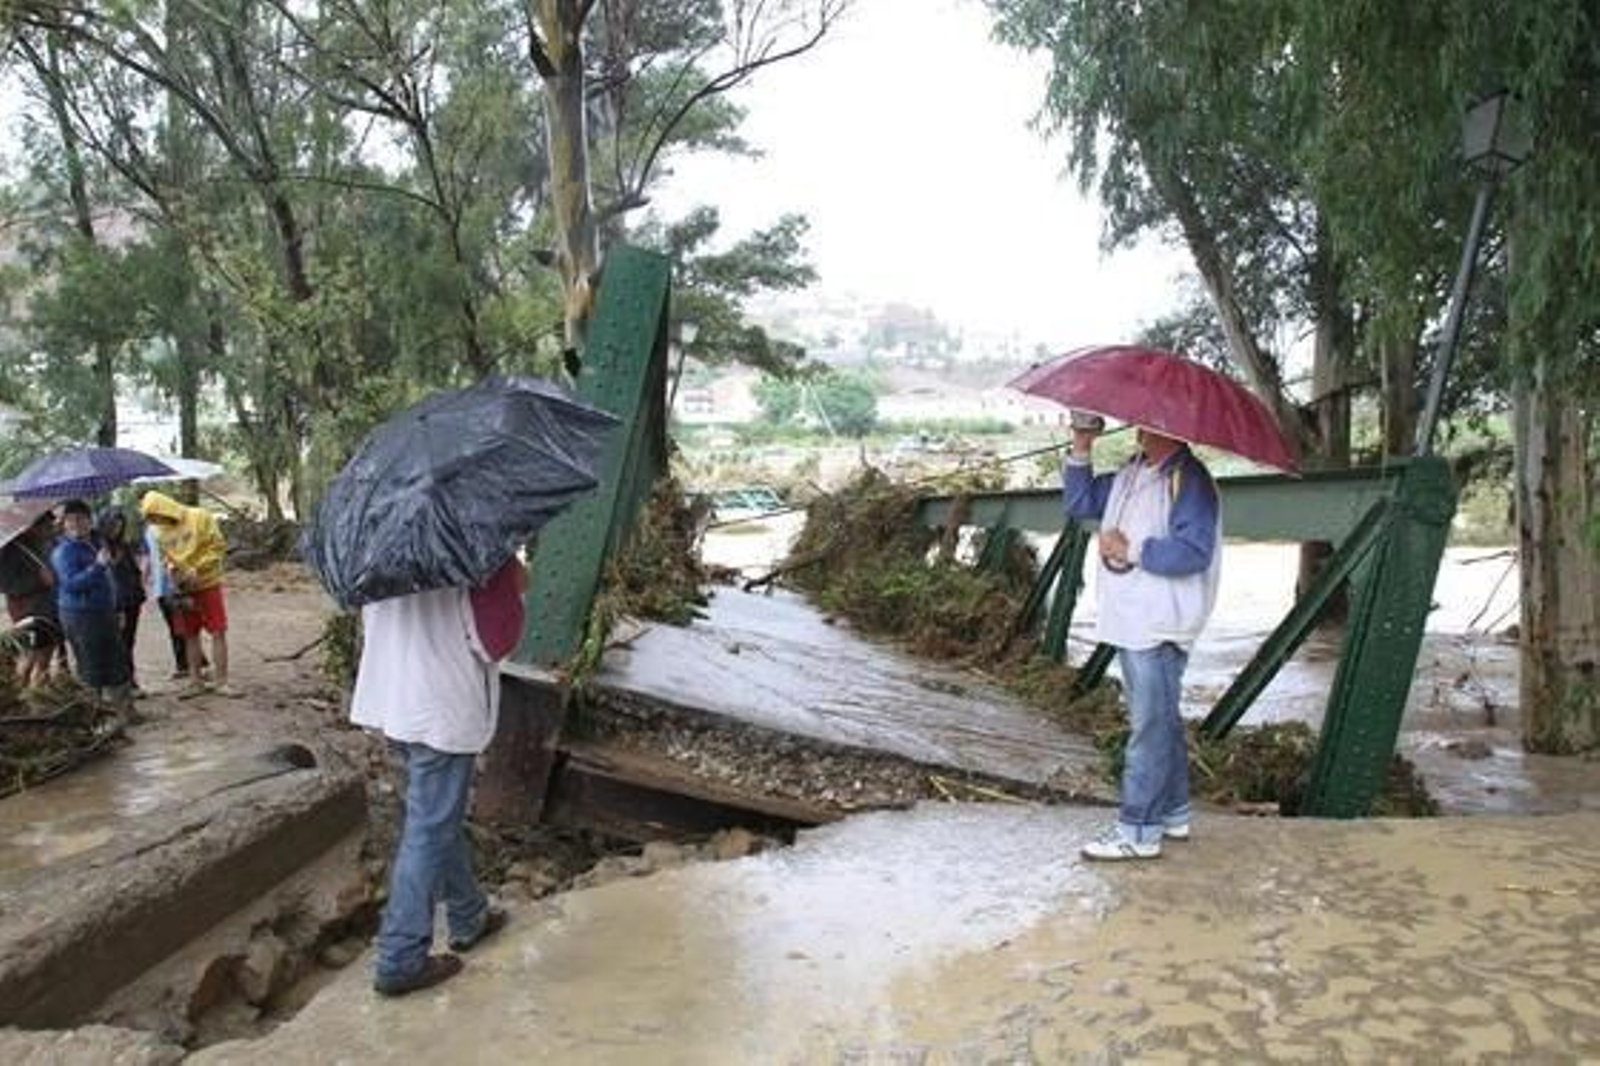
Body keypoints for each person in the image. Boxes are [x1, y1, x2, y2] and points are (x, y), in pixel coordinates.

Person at [350, 555, 525, 997]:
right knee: (427, 829)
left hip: (392, 699)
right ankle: (400, 957)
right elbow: (496, 642)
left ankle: (469, 915)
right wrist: (511, 579)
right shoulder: (475, 548)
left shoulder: (378, 544)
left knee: (433, 818)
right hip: (440, 705)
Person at [1064, 420, 1221, 861]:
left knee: (1148, 726)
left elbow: (1194, 551)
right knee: (1161, 720)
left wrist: (1128, 550)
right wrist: (1081, 443)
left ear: (1171, 426)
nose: (1139, 428)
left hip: (1160, 622)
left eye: (1150, 421)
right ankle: (1172, 811)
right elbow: (1079, 502)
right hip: (1133, 619)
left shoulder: (1189, 480)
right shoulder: (1133, 473)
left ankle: (1138, 831)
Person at [139, 491, 233, 697]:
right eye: (152, 519)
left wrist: (198, 568)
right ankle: (195, 682)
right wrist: (174, 572)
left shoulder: (200, 517)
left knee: (218, 631)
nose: (157, 521)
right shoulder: (159, 531)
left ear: (165, 508)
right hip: (182, 589)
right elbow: (166, 558)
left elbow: (217, 546)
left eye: (157, 516)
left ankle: (222, 682)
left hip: (208, 583)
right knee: (190, 635)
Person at [49, 499, 133, 711]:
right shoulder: (64, 551)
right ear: (64, 524)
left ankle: (123, 709)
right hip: (80, 614)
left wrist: (117, 606)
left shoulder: (95, 543)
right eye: (71, 520)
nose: (77, 524)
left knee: (116, 658)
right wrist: (97, 566)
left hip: (104, 610)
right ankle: (94, 715)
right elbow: (71, 584)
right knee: (90, 663)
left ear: (90, 519)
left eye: (82, 519)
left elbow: (110, 580)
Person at [1, 511, 64, 688]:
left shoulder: (45, 543)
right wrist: (38, 581)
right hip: (27, 611)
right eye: (47, 526)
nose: (51, 529)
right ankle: (21, 693)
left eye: (52, 525)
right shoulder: (11, 549)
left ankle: (40, 694)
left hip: (48, 607)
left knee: (45, 654)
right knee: (29, 656)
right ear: (33, 527)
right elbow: (6, 585)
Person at [143, 518, 205, 680]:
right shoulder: (149, 531)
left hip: (176, 586)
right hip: (161, 589)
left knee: (184, 627)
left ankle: (191, 665)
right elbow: (149, 555)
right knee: (176, 627)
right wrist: (144, 577)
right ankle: (188, 664)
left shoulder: (173, 527)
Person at [97, 507, 148, 694]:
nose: (117, 529)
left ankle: (130, 680)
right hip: (113, 603)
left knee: (129, 642)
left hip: (132, 599)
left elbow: (133, 572)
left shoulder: (124, 546)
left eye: (120, 524)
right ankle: (119, 684)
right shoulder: (99, 548)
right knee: (117, 644)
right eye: (113, 524)